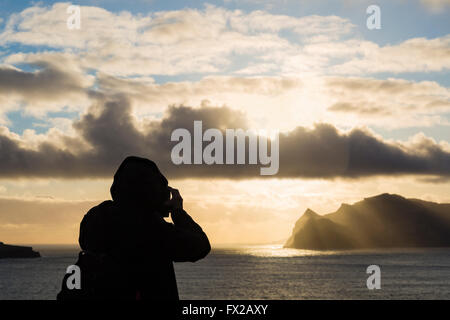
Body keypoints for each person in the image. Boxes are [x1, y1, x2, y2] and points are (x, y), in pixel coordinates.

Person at [57, 156, 211, 300]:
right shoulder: (150, 230)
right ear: (151, 192)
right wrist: (178, 212)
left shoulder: (96, 219)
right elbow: (200, 246)